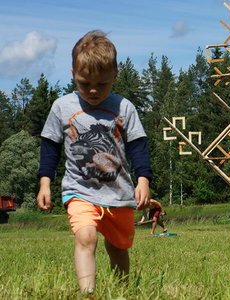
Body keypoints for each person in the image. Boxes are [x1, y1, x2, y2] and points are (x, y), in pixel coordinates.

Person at [36, 30, 152, 295]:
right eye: (84, 82)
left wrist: (144, 179)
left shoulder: (125, 108)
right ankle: (88, 293)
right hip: (79, 190)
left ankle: (123, 291)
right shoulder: (61, 107)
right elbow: (50, 146)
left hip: (118, 193)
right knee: (85, 237)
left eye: (102, 84)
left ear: (115, 75)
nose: (92, 91)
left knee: (118, 247)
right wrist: (45, 182)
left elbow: (138, 146)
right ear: (73, 72)